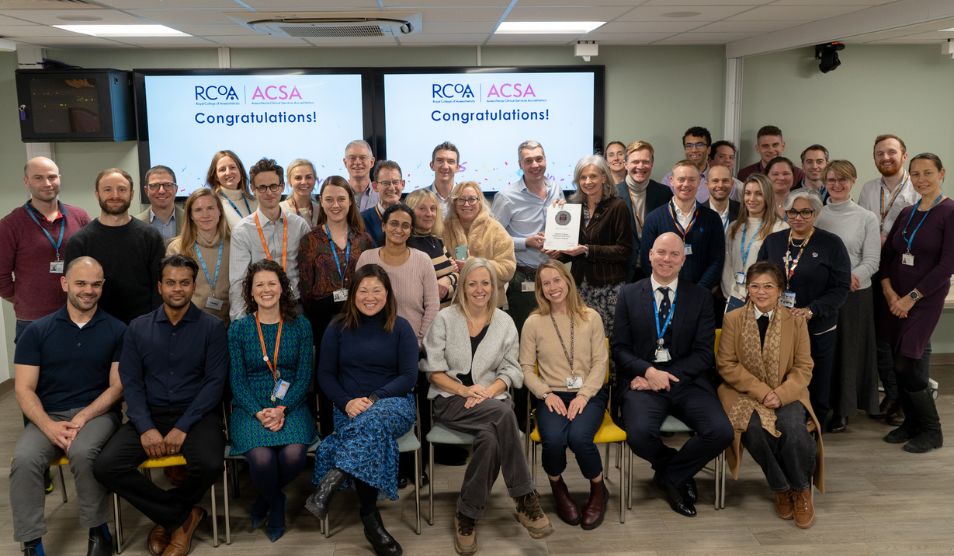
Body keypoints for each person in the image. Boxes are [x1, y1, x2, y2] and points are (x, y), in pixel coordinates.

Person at [93, 255, 227, 556]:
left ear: (193, 286)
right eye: (170, 282)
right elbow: (132, 383)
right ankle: (181, 516)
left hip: (196, 416)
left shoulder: (212, 328)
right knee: (105, 466)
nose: (177, 289)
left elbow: (214, 384)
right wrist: (146, 427)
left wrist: (182, 427)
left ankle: (169, 516)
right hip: (149, 415)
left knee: (210, 463)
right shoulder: (137, 329)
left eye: (184, 283)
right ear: (159, 286)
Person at [422, 258, 552, 554]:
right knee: (505, 414)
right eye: (472, 283)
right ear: (463, 286)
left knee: (491, 440)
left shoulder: (505, 322)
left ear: (495, 287)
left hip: (490, 402)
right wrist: (464, 389)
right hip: (450, 401)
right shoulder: (445, 318)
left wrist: (488, 391)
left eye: (486, 283)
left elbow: (512, 370)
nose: (479, 289)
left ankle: (466, 515)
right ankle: (524, 497)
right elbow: (433, 370)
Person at [613, 232, 733, 518]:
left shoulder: (700, 296)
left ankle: (671, 476)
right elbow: (619, 348)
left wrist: (666, 375)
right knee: (639, 435)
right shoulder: (629, 294)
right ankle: (676, 469)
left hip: (687, 381)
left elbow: (704, 354)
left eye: (674, 254)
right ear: (650, 255)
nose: (667, 259)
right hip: (642, 382)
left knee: (721, 432)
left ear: (683, 260)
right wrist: (648, 371)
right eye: (661, 253)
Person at [11, 257, 125, 556]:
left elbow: (117, 387)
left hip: (98, 414)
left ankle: (98, 529)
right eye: (81, 283)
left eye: (96, 284)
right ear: (64, 284)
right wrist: (49, 426)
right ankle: (32, 541)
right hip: (48, 415)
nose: (89, 290)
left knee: (83, 452)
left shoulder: (117, 330)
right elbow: (23, 389)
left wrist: (84, 416)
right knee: (24, 459)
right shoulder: (36, 332)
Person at [305, 264, 417, 556]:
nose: (370, 297)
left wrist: (376, 397)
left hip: (394, 404)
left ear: (388, 294)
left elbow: (409, 376)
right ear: (353, 294)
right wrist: (346, 402)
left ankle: (334, 476)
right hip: (350, 407)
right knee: (370, 432)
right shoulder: (336, 328)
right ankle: (370, 519)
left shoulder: (401, 327)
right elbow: (325, 375)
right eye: (363, 290)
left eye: (377, 290)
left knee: (373, 421)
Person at [716, 261, 823, 530]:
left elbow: (804, 367)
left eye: (768, 286)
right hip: (744, 392)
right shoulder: (733, 319)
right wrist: (763, 393)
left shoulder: (795, 321)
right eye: (755, 286)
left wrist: (781, 394)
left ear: (780, 289)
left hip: (787, 391)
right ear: (747, 289)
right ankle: (780, 487)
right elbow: (726, 364)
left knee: (792, 429)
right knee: (751, 428)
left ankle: (801, 490)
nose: (761, 292)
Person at [228, 259, 314, 542]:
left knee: (293, 455)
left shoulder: (300, 325)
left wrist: (282, 409)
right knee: (262, 459)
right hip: (249, 406)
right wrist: (258, 412)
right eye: (259, 285)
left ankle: (264, 500)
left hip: (292, 404)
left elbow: (304, 377)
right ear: (250, 293)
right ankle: (276, 503)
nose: (266, 290)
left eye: (272, 284)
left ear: (282, 288)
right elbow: (237, 381)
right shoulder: (238, 330)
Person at [519, 260, 609, 529]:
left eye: (557, 280)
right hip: (551, 395)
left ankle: (598, 489)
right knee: (554, 440)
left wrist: (583, 395)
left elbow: (600, 363)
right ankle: (558, 489)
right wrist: (545, 394)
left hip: (589, 393)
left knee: (580, 438)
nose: (553, 287)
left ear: (567, 281)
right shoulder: (533, 322)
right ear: (540, 289)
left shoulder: (591, 317)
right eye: (546, 283)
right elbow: (525, 368)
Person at [878, 153, 953, 454]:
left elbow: (947, 265)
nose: (922, 179)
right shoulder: (907, 211)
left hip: (923, 300)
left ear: (941, 174)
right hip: (895, 297)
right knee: (897, 363)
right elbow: (889, 257)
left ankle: (932, 431)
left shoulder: (949, 211)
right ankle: (910, 423)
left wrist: (910, 298)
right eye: (916, 174)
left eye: (928, 173)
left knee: (907, 364)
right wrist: (888, 291)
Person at [757, 190, 851, 425]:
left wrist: (811, 310)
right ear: (785, 213)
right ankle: (784, 418)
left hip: (817, 323)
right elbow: (760, 279)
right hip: (779, 322)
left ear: (815, 213)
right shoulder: (773, 242)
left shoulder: (831, 243)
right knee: (781, 371)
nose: (798, 217)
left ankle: (815, 420)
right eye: (793, 212)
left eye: (805, 212)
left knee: (817, 374)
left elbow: (841, 287)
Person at [858, 134, 919, 425]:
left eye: (891, 152)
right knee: (881, 337)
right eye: (880, 153)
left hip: (905, 270)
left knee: (904, 336)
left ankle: (908, 400)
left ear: (904, 155)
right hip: (874, 267)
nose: (886, 158)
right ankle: (892, 394)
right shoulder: (869, 189)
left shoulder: (917, 189)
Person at [816, 160, 881, 432]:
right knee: (824, 352)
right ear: (824, 182)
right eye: (831, 180)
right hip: (822, 294)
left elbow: (872, 261)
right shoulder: (816, 214)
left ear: (853, 180)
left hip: (854, 294)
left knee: (848, 353)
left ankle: (843, 410)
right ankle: (821, 404)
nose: (837, 185)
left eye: (843, 180)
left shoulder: (866, 217)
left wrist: (846, 281)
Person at [1, 156, 90, 341]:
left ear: (60, 178)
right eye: (38, 178)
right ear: (26, 181)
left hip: (77, 314)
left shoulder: (79, 216)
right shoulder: (10, 224)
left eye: (52, 177)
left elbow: (91, 262)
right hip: (33, 320)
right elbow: (1, 277)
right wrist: (24, 298)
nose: (47, 183)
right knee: (33, 371)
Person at [63, 167, 164, 324]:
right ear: (97, 194)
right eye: (107, 189)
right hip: (96, 329)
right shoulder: (79, 242)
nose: (115, 195)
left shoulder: (150, 237)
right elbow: (74, 293)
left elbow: (159, 289)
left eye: (122, 189)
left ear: (131, 193)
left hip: (142, 328)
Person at [554, 155, 632, 339]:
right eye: (582, 177)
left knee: (610, 341)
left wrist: (588, 250)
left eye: (593, 176)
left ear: (604, 177)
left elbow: (624, 250)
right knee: (581, 340)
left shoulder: (617, 206)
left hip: (609, 288)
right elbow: (572, 250)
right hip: (580, 287)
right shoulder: (573, 207)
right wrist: (555, 252)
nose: (587, 182)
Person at [491, 140, 564, 332]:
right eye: (528, 160)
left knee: (553, 334)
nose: (535, 165)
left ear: (545, 160)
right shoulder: (506, 197)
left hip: (554, 276)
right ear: (520, 165)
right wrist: (526, 242)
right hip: (524, 278)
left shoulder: (556, 189)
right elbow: (494, 239)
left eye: (539, 159)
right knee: (524, 336)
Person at [228, 158, 311, 320]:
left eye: (274, 186)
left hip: (296, 306)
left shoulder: (299, 226)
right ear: (253, 189)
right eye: (262, 187)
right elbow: (238, 282)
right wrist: (239, 322)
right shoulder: (242, 231)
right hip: (259, 308)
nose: (269, 192)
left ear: (282, 187)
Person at [357, 203, 440, 347]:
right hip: (372, 343)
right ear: (383, 226)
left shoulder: (423, 260)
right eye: (394, 223)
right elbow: (357, 299)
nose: (399, 230)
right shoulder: (366, 258)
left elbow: (432, 305)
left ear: (411, 230)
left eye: (405, 225)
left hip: (413, 344)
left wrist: (420, 342)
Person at [641, 161, 725, 290]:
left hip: (700, 295)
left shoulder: (712, 219)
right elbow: (647, 260)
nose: (686, 184)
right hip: (662, 293)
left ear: (699, 182)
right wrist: (665, 287)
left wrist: (700, 291)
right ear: (671, 181)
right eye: (681, 179)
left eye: (692, 179)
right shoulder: (653, 218)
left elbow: (717, 260)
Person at [722, 174, 788, 312]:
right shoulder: (734, 227)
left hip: (764, 300)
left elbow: (779, 271)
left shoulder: (780, 228)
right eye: (748, 193)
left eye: (758, 194)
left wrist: (757, 294)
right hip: (734, 297)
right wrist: (732, 293)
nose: (751, 199)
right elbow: (727, 263)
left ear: (767, 197)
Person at [444, 181, 516, 308]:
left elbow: (507, 268)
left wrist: (474, 264)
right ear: (454, 203)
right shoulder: (444, 229)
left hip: (490, 303)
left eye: (472, 199)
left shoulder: (495, 230)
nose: (466, 204)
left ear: (480, 201)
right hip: (453, 304)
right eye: (461, 199)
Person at [166, 188, 231, 322]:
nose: (205, 214)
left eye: (210, 208)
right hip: (190, 323)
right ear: (190, 215)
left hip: (229, 322)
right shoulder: (177, 248)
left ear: (219, 211)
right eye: (198, 210)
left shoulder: (235, 244)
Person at [616, 140, 672, 282]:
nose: (640, 166)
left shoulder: (664, 193)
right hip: (622, 270)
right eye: (635, 162)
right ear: (626, 164)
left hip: (655, 270)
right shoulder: (612, 194)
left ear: (652, 164)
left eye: (645, 162)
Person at [406, 188, 459, 307]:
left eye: (432, 208)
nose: (429, 213)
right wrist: (450, 282)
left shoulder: (438, 241)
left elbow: (459, 274)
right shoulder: (407, 246)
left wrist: (447, 280)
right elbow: (424, 293)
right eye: (422, 208)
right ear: (410, 212)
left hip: (451, 314)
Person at [662, 126, 716, 203]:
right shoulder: (668, 179)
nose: (694, 150)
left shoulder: (719, 180)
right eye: (689, 146)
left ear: (709, 149)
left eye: (699, 145)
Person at [737, 125, 805, 184]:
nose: (771, 150)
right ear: (757, 148)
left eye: (775, 145)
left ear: (783, 146)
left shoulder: (798, 174)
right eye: (765, 146)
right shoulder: (745, 174)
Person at [206, 150, 256, 229]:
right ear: (216, 176)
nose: (228, 173)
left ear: (240, 171)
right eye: (222, 169)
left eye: (232, 167)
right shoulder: (213, 204)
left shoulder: (255, 202)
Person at [361, 160, 406, 246]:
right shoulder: (363, 220)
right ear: (375, 186)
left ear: (402, 184)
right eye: (386, 183)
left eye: (396, 182)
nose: (392, 188)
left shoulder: (411, 216)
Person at [136, 165, 185, 243]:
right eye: (154, 185)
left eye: (168, 185)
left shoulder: (192, 220)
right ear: (146, 191)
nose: (161, 191)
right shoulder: (135, 224)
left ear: (176, 189)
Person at [279, 158, 319, 228]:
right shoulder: (280, 210)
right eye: (298, 178)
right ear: (289, 181)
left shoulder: (321, 211)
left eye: (308, 177)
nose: (304, 182)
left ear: (315, 180)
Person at [344, 140, 379, 212]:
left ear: (372, 162)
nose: (357, 162)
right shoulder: (338, 195)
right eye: (352, 158)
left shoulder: (381, 195)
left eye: (363, 157)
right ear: (345, 162)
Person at [428, 141, 461, 215]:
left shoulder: (468, 200)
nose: (445, 166)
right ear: (432, 165)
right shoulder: (417, 199)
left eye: (450, 161)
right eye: (440, 160)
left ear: (457, 168)